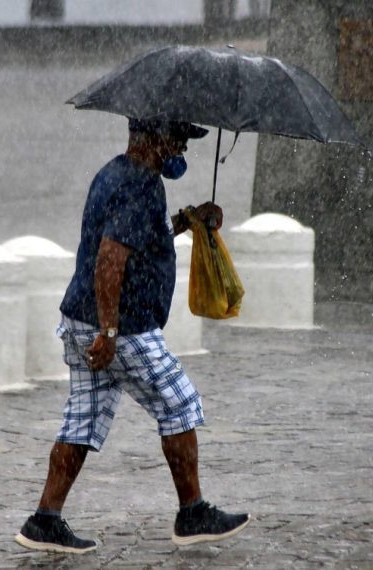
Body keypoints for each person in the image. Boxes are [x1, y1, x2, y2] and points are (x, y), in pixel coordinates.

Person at [14, 118, 251, 554]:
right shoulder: (140, 184)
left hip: (82, 318)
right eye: (178, 137)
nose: (182, 146)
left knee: (82, 418)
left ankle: (44, 520)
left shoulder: (115, 172)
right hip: (123, 326)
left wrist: (189, 219)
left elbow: (143, 235)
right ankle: (193, 512)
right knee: (179, 404)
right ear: (154, 138)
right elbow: (110, 258)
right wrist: (109, 332)